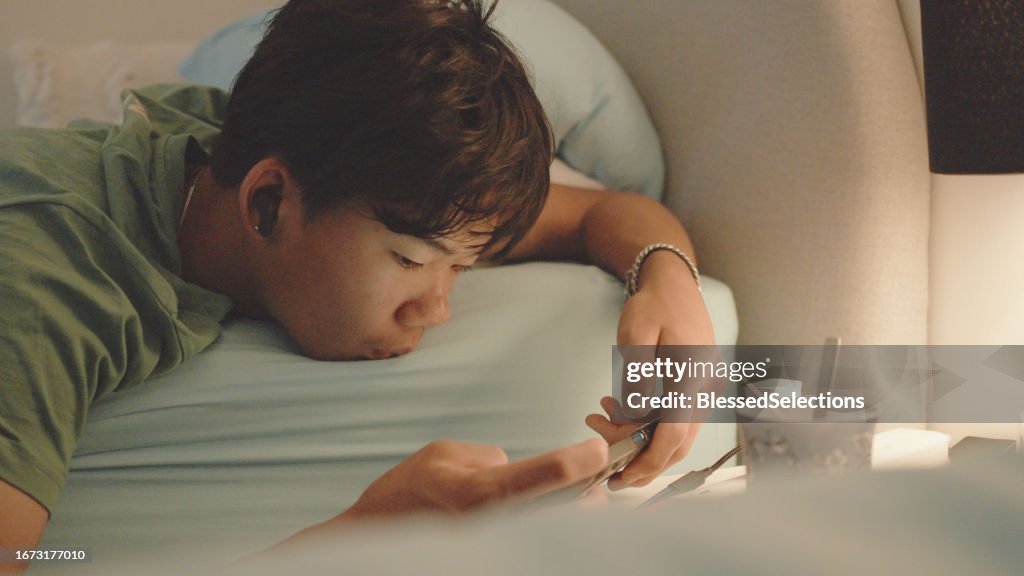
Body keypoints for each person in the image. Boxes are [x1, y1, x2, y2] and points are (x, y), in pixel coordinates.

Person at [0, 0, 714, 568]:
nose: (435, 310)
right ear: (267, 202)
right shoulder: (46, 290)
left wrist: (669, 283)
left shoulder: (317, 167)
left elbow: (607, 212)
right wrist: (361, 541)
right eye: (409, 262)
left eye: (461, 268)